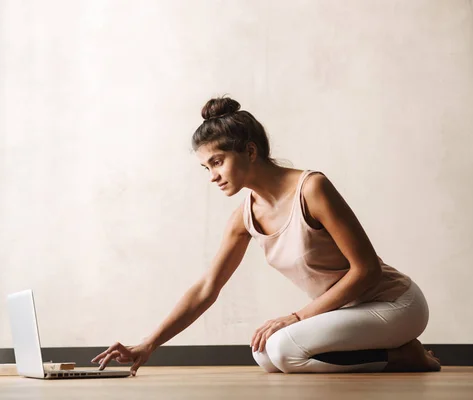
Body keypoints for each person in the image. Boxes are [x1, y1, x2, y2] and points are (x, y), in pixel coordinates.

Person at [91, 97, 441, 376]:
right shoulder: (244, 216)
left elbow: (367, 271)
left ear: (251, 151)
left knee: (283, 347)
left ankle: (405, 356)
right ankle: (393, 354)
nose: (212, 176)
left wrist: (297, 317)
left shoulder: (312, 188)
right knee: (265, 353)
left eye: (217, 162)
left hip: (395, 304)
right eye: (206, 167)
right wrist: (148, 345)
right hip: (345, 313)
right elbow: (206, 289)